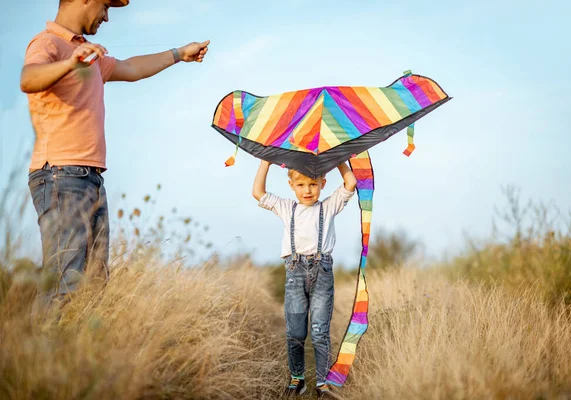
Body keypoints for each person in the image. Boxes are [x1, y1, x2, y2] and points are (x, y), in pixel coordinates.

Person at [20, 0, 210, 300]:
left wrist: (178, 54)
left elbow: (132, 67)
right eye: (105, 7)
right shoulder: (48, 43)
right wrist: (70, 63)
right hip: (60, 175)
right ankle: (48, 346)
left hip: (91, 179)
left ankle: (82, 348)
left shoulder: (90, 54)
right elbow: (28, 79)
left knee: (94, 285)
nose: (107, 17)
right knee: (64, 283)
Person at [252, 160, 357, 397]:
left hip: (322, 273)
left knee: (320, 330)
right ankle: (297, 379)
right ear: (291, 185)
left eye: (312, 184)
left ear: (323, 183)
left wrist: (338, 158)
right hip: (294, 273)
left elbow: (350, 182)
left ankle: (322, 383)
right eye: (300, 184)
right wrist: (265, 163)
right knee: (296, 332)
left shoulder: (328, 207)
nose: (307, 190)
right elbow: (257, 192)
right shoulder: (286, 207)